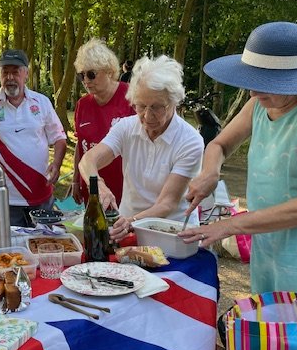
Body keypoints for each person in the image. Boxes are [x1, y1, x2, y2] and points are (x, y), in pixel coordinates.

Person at [181, 21, 297, 317]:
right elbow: (218, 145)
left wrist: (229, 225)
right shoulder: (259, 105)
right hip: (267, 242)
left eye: (265, 84)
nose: (253, 93)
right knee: (270, 337)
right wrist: (210, 173)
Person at [78, 54, 204, 243]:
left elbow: (166, 203)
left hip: (172, 233)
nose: (147, 115)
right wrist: (99, 186)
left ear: (174, 102)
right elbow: (88, 160)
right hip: (128, 228)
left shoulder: (190, 141)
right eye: (141, 106)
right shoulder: (126, 127)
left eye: (156, 107)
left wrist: (131, 222)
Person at [0, 49, 67, 226]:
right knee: (9, 252)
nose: (10, 77)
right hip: (5, 199)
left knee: (45, 246)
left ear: (26, 73)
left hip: (41, 194)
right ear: (0, 75)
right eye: (5, 72)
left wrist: (57, 164)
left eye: (15, 71)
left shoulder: (41, 102)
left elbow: (59, 137)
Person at [72, 39, 135, 206]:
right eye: (81, 75)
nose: (86, 80)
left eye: (91, 74)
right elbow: (80, 145)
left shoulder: (131, 97)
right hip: (93, 188)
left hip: (127, 188)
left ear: (108, 71)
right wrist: (76, 180)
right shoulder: (82, 105)